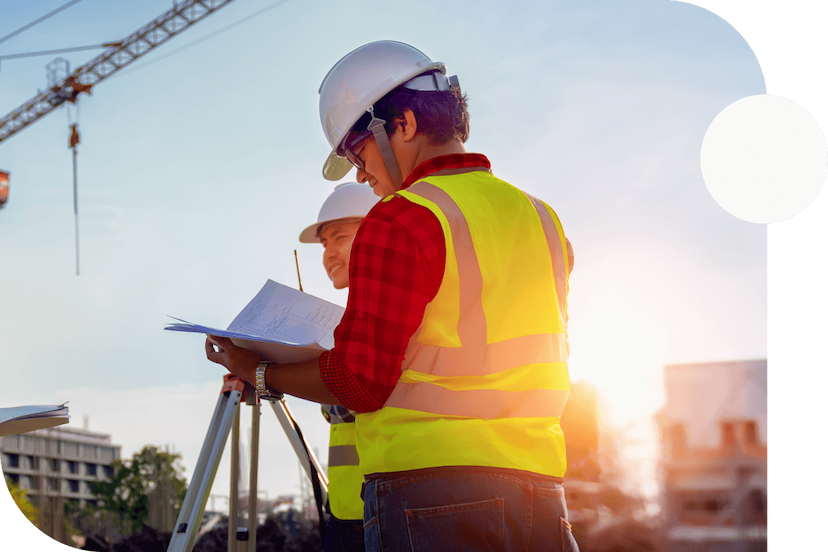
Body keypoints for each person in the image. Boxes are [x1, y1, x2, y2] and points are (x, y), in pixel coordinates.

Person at [206, 40, 578, 552]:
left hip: (433, 495)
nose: (361, 175)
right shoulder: (542, 218)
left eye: (357, 154)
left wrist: (257, 369)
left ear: (401, 124)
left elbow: (359, 381)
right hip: (541, 492)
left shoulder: (401, 218)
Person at [297, 182, 379, 552]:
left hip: (380, 512)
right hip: (346, 511)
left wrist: (264, 372)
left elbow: (356, 397)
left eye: (340, 237)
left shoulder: (384, 316)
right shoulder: (345, 324)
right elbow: (337, 413)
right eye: (324, 244)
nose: (328, 253)